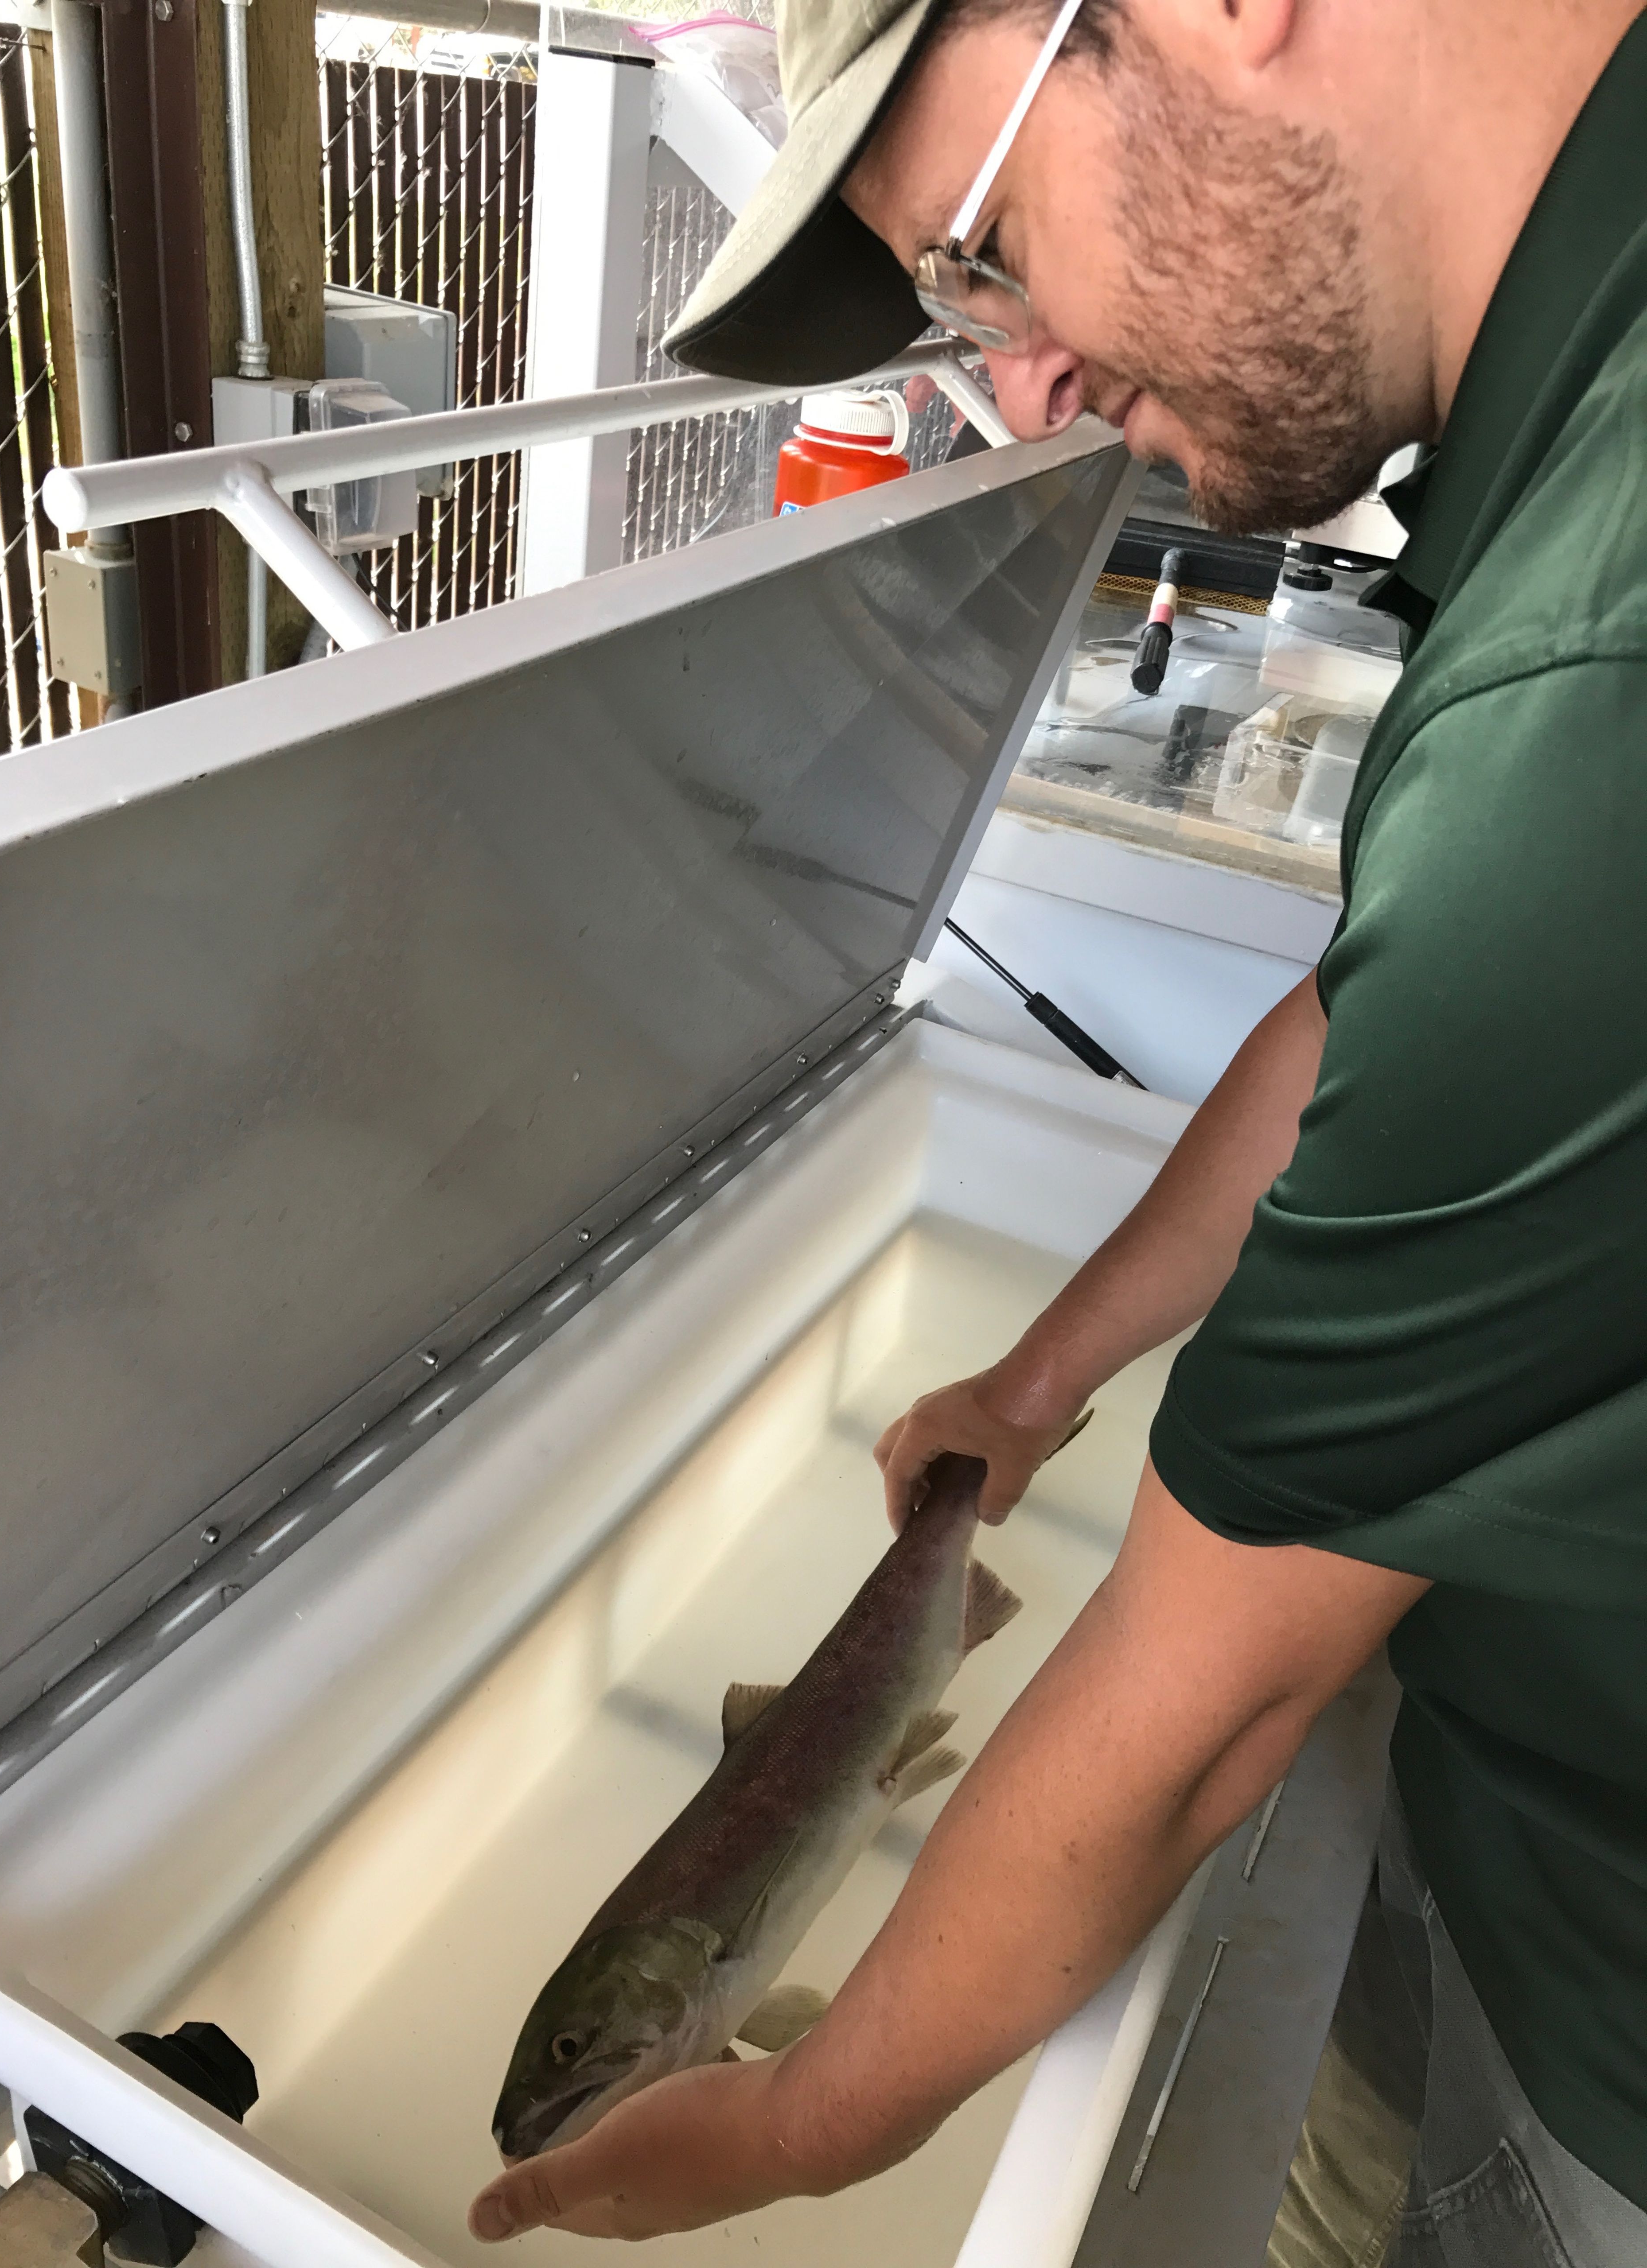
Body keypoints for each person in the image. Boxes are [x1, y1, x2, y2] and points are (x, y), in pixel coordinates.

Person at [468, 0, 1647, 2256]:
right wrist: (1036, 1379)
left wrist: (804, 2119)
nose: (1022, 387)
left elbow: (1208, 1694)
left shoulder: (1595, 705)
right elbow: (1361, 1005)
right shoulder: (1567, 389)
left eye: (988, 245)